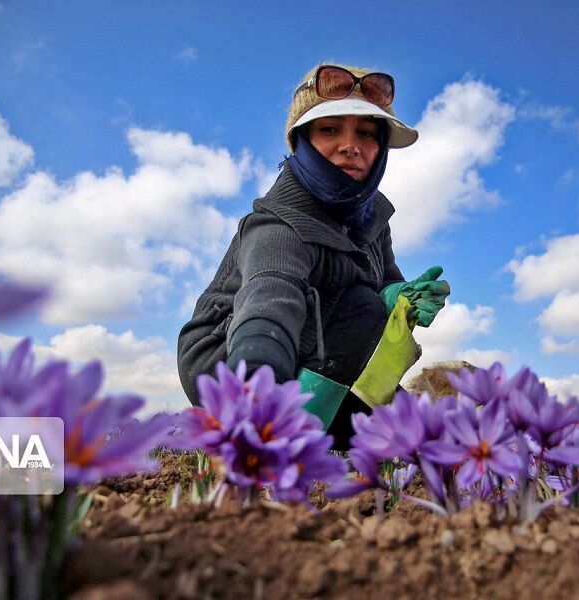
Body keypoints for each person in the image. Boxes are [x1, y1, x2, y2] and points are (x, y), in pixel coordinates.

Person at [177, 63, 450, 447]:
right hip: (230, 361)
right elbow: (269, 300)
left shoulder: (372, 219)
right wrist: (256, 385)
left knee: (411, 430)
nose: (351, 145)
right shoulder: (279, 224)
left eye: (368, 133)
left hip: (323, 349)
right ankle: (279, 440)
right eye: (329, 129)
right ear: (302, 139)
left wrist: (400, 295)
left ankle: (317, 426)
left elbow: (385, 280)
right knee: (362, 308)